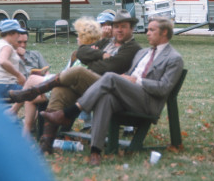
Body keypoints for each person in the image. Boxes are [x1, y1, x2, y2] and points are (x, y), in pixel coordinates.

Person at [41, 17, 184, 166]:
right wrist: (125, 78)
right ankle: (95, 152)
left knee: (110, 77)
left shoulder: (174, 58)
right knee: (106, 98)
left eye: (152, 30)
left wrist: (137, 81)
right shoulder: (143, 53)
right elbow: (126, 71)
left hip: (147, 102)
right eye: (147, 29)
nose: (147, 33)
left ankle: (70, 112)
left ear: (165, 32)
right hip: (128, 95)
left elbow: (164, 88)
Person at [9, 9, 142, 153]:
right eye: (116, 26)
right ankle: (46, 144)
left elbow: (110, 67)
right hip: (90, 84)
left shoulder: (132, 48)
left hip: (109, 88)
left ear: (131, 28)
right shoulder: (108, 42)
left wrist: (92, 62)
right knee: (60, 90)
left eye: (123, 27)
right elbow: (81, 52)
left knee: (78, 71)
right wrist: (102, 54)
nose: (119, 30)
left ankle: (34, 91)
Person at [19, 16, 103, 137]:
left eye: (79, 35)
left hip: (69, 91)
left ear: (85, 37)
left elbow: (72, 77)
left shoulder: (91, 53)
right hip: (64, 86)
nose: (77, 38)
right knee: (31, 97)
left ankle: (16, 109)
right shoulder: (82, 52)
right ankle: (27, 130)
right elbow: (66, 72)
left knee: (32, 80)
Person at [0, 19, 27, 117]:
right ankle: (14, 113)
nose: (18, 36)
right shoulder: (6, 46)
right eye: (18, 33)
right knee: (36, 95)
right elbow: (3, 61)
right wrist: (19, 75)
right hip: (6, 87)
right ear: (11, 33)